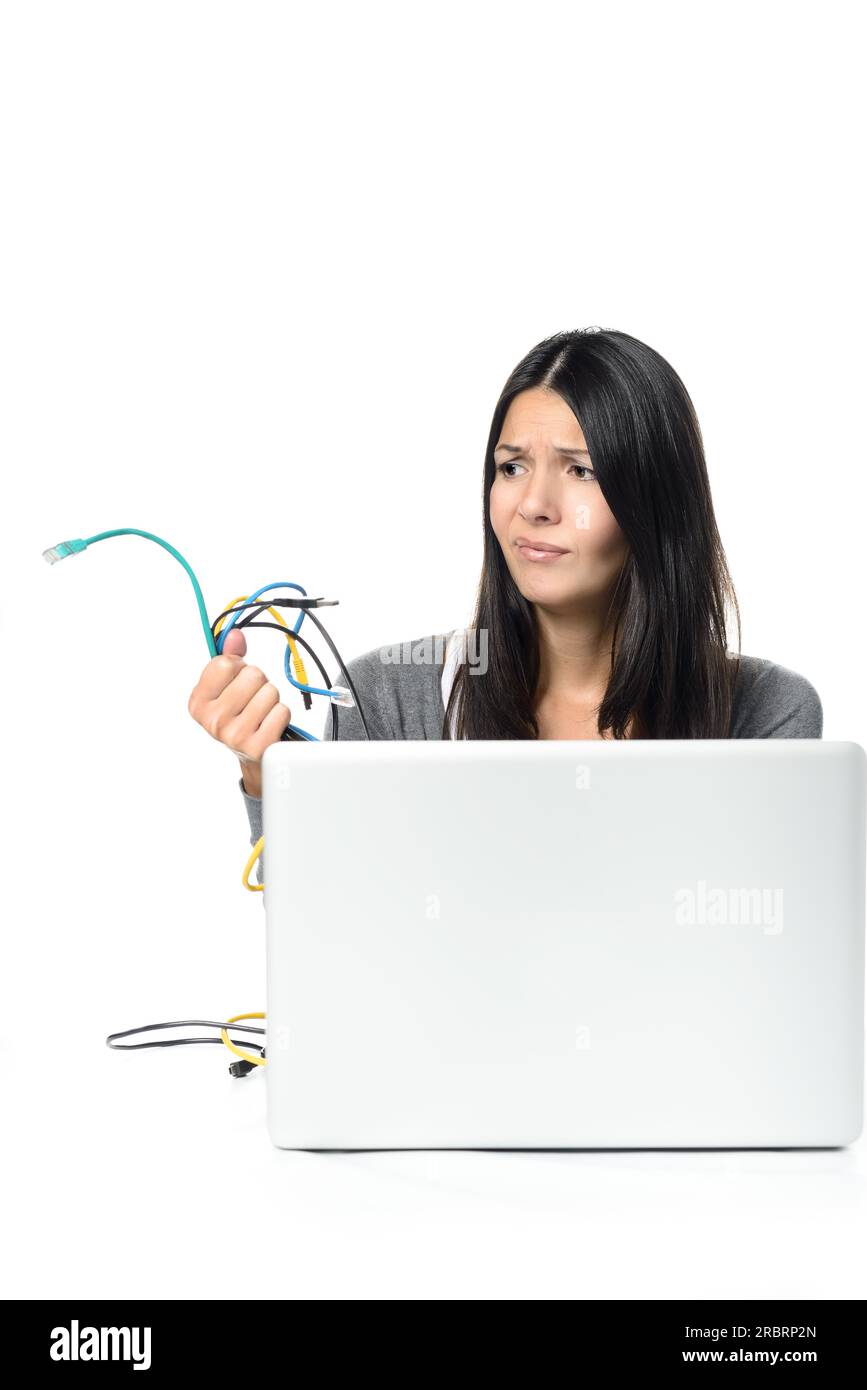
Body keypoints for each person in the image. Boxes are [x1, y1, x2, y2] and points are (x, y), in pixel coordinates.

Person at [186, 328, 822, 882]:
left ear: (656, 504)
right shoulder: (390, 697)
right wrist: (266, 774)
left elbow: (765, 954)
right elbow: (327, 937)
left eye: (582, 471)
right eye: (512, 467)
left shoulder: (768, 713)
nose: (533, 505)